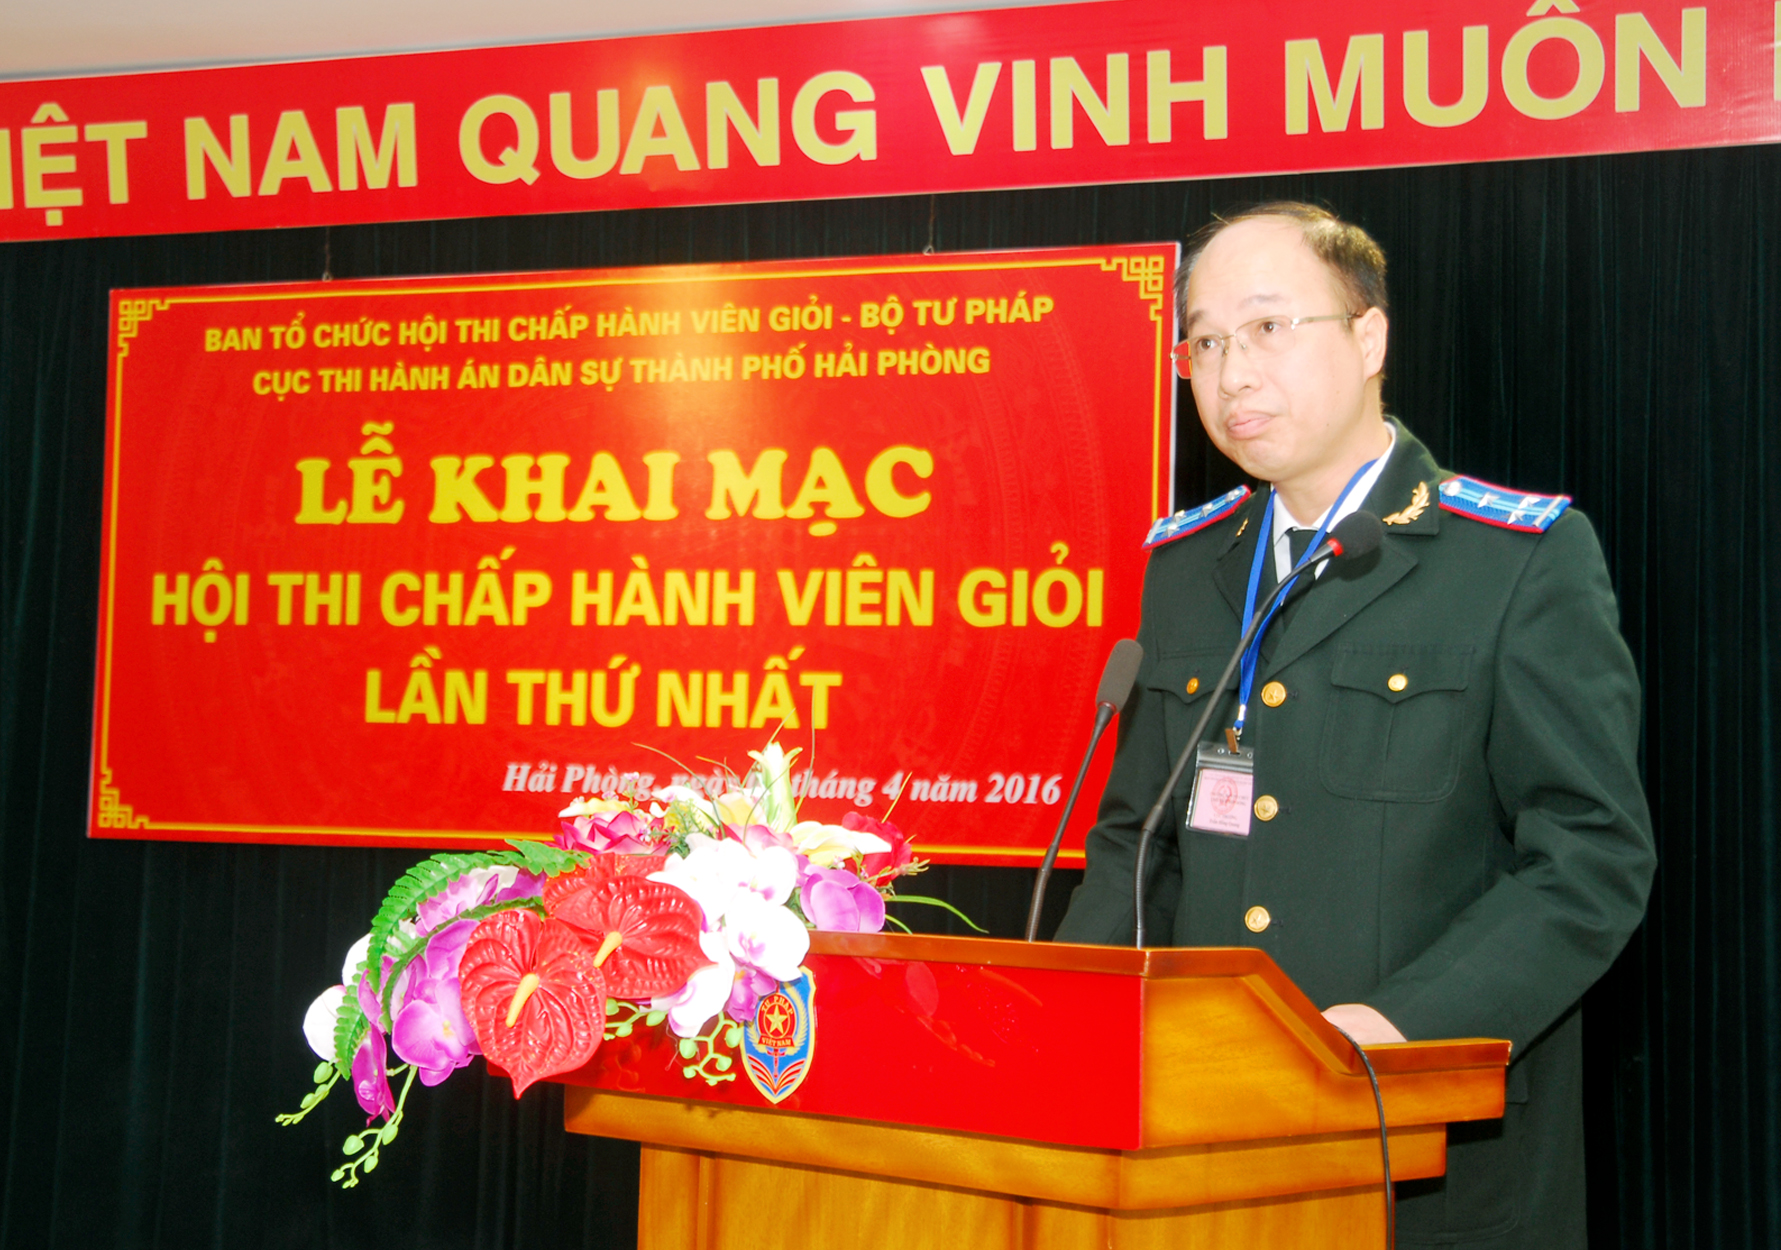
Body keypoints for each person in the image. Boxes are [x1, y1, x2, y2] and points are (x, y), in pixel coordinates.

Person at [1054, 202, 1656, 1247]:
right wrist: (1053, 1033)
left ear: (1368, 337)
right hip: (1206, 1147)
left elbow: (1589, 858)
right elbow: (1132, 847)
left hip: (1428, 1153)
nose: (1231, 373)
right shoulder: (1184, 567)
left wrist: (1395, 1026)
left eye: (1266, 327)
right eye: (1204, 342)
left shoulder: (1513, 559)